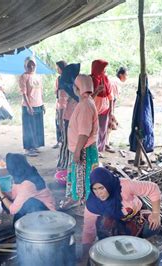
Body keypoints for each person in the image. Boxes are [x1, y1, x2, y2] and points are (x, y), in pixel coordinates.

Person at [82, 167, 161, 254]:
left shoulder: (124, 185)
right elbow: (88, 228)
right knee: (106, 237)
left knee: (153, 227)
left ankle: (136, 238)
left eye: (101, 188)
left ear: (108, 184)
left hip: (133, 217)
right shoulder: (92, 203)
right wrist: (85, 253)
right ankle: (110, 242)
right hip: (113, 223)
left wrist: (156, 213)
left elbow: (153, 188)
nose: (99, 193)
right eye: (95, 189)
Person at [64, 74, 99, 207]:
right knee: (83, 176)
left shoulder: (85, 105)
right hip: (84, 146)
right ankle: (81, 199)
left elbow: (84, 133)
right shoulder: (88, 101)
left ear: (78, 88)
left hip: (83, 148)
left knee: (82, 177)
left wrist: (78, 151)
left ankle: (83, 202)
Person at [0, 153, 55, 223]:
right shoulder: (22, 174)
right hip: (33, 207)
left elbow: (13, 209)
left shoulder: (27, 184)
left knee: (29, 202)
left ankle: (36, 224)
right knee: (0, 197)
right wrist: (1, 192)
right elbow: (15, 196)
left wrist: (0, 193)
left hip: (46, 212)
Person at [19, 57, 45, 157]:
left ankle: (35, 146)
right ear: (25, 66)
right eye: (29, 65)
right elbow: (24, 93)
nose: (32, 67)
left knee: (37, 127)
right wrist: (29, 106)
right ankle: (28, 148)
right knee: (28, 128)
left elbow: (40, 91)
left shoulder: (38, 76)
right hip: (28, 106)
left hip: (38, 104)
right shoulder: (24, 77)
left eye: (33, 64)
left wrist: (43, 104)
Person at [90, 59, 113, 155]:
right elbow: (88, 97)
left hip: (104, 109)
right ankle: (92, 150)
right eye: (103, 68)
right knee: (93, 130)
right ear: (97, 69)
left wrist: (111, 110)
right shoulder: (90, 80)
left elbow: (110, 96)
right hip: (93, 109)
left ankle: (100, 149)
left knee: (103, 130)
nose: (105, 71)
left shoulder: (106, 79)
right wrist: (97, 91)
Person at [106, 66, 128, 152]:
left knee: (108, 125)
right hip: (108, 106)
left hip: (107, 105)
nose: (126, 77)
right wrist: (112, 112)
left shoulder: (114, 81)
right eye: (126, 75)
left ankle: (105, 143)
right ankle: (106, 144)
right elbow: (112, 99)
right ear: (120, 75)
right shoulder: (116, 83)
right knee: (109, 125)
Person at [53, 60, 68, 149]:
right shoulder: (71, 78)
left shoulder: (59, 79)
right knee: (62, 123)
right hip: (64, 104)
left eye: (58, 68)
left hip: (62, 104)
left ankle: (61, 141)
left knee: (60, 123)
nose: (57, 69)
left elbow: (56, 91)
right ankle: (63, 141)